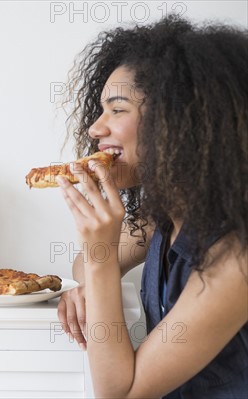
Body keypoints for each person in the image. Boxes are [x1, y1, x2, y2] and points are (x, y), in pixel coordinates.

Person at [55, 16, 247, 398]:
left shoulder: (235, 259)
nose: (95, 128)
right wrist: (93, 275)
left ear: (175, 122)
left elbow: (119, 393)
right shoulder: (161, 213)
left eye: (117, 109)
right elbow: (82, 264)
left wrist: (100, 259)